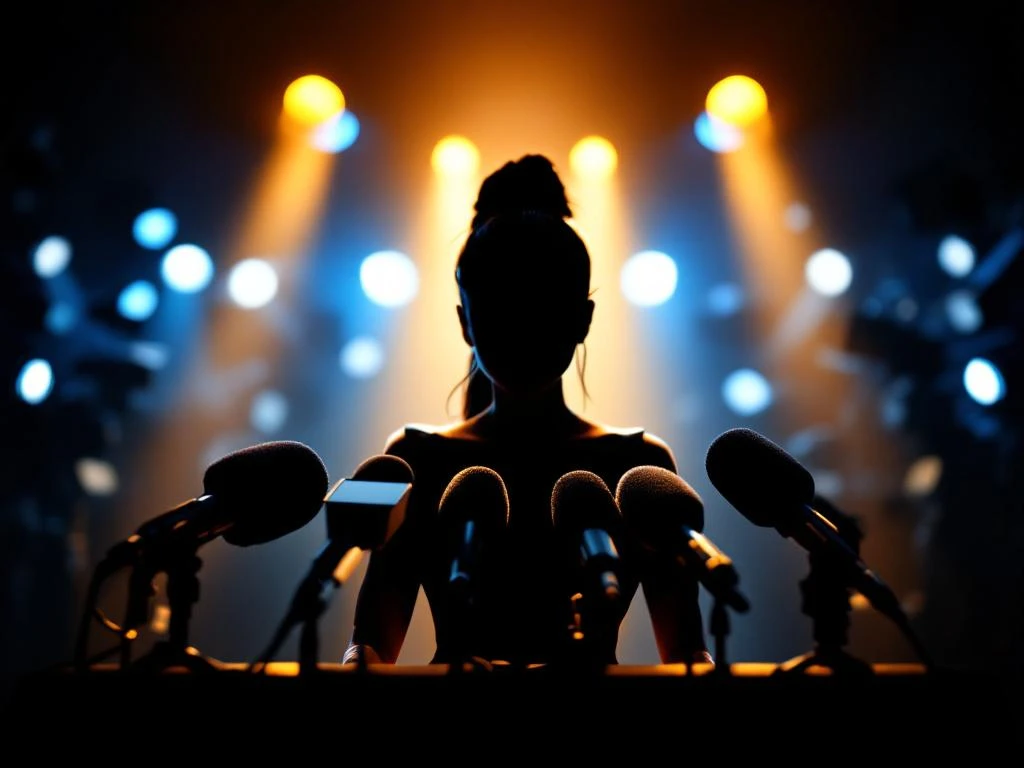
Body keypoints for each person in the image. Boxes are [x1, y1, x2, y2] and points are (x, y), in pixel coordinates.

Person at [343, 154, 710, 668]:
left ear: (581, 319)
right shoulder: (638, 464)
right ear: (467, 323)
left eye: (540, 307)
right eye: (502, 309)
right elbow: (690, 658)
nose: (521, 329)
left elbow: (367, 653)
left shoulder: (415, 457)